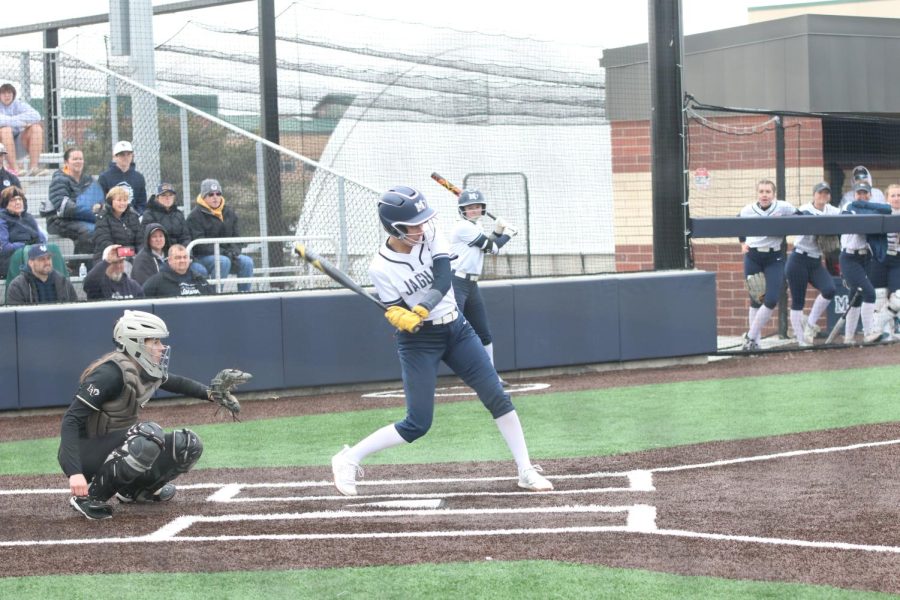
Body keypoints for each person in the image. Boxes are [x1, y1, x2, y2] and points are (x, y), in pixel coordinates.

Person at [330, 186, 552, 496]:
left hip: (457, 330)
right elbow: (401, 312)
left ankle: (526, 470)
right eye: (413, 224)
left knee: (497, 396)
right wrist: (399, 316)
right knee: (417, 423)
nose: (421, 228)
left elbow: (444, 278)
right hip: (420, 342)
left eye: (422, 222)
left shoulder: (431, 233)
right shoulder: (380, 268)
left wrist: (419, 308)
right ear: (395, 228)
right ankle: (349, 458)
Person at [59, 310, 216, 520]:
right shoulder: (109, 373)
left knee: (187, 444)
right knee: (149, 435)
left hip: (115, 444)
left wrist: (211, 394)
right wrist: (74, 473)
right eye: (155, 342)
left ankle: (136, 490)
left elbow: (177, 382)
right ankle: (89, 498)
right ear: (136, 343)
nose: (161, 347)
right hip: (86, 450)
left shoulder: (142, 368)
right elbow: (71, 420)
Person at [449, 188, 513, 385]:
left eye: (477, 207)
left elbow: (485, 245)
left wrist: (498, 231)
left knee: (483, 331)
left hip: (471, 284)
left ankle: (491, 375)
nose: (474, 210)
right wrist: (509, 234)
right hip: (456, 282)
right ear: (463, 210)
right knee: (452, 331)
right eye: (470, 208)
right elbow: (492, 248)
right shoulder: (463, 227)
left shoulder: (475, 227)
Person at [738, 179, 797, 351]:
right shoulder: (748, 210)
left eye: (768, 192)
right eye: (761, 191)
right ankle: (755, 343)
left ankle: (749, 336)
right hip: (753, 257)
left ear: (774, 194)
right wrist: (742, 243)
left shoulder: (783, 207)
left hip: (774, 257)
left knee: (771, 299)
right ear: (757, 194)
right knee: (756, 300)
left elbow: (800, 216)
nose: (764, 195)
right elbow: (737, 223)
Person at [785, 182, 840, 347]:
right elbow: (802, 215)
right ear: (814, 195)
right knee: (798, 301)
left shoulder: (832, 210)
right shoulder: (805, 208)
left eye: (826, 193)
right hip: (798, 259)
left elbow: (847, 214)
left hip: (816, 261)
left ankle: (809, 324)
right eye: (819, 193)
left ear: (829, 196)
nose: (822, 195)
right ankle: (801, 340)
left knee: (829, 289)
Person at [839, 181, 891, 344]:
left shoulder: (871, 207)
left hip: (865, 257)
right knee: (869, 293)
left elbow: (887, 209)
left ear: (870, 194)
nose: (862, 196)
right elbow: (852, 218)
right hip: (849, 257)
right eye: (859, 193)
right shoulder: (848, 205)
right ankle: (868, 333)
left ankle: (848, 337)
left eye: (865, 193)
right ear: (854, 194)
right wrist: (867, 211)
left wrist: (868, 208)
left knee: (857, 296)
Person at [186, 178, 254, 292]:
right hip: (204, 257)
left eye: (218, 194)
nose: (215, 197)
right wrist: (224, 253)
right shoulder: (195, 216)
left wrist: (234, 251)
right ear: (203, 197)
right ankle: (215, 296)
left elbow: (236, 237)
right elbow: (200, 245)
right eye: (210, 194)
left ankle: (244, 295)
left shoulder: (229, 212)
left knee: (247, 262)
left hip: (227, 254)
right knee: (222, 261)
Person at [41, 147, 100, 259]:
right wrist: (91, 210)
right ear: (66, 162)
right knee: (87, 231)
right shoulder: (59, 179)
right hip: (58, 220)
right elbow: (65, 207)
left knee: (105, 226)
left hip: (81, 219)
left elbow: (99, 200)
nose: (78, 161)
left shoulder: (88, 179)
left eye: (80, 159)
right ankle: (78, 267)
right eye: (75, 159)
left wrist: (99, 206)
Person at [867, 182, 900, 340]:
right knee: (879, 296)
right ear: (887, 198)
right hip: (880, 258)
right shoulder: (881, 213)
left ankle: (880, 323)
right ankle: (885, 332)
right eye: (893, 195)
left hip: (897, 259)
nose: (896, 198)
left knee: (898, 297)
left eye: (899, 195)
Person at [6, 243, 77, 305]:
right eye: (41, 259)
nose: (47, 263)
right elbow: (17, 316)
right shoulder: (18, 286)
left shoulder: (63, 282)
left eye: (48, 258)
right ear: (31, 263)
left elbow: (74, 310)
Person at [0, 186, 46, 277]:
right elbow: (4, 248)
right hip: (12, 260)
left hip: (33, 257)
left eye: (19, 199)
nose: (17, 202)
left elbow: (42, 240)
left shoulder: (29, 218)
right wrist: (25, 245)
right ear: (5, 204)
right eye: (13, 200)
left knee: (53, 248)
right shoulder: (2, 220)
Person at [0, 82, 44, 175]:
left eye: (9, 93)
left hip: (19, 145)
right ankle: (15, 169)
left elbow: (36, 116)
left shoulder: (19, 104)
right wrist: (21, 122)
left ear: (13, 95)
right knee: (5, 130)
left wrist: (10, 120)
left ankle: (34, 168)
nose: (7, 96)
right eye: (3, 93)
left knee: (36, 127)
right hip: (2, 148)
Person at [142, 244, 214, 298]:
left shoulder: (199, 279)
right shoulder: (157, 281)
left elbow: (212, 300)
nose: (182, 260)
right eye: (178, 258)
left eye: (185, 257)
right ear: (169, 260)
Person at [92, 186, 142, 262]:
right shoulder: (102, 217)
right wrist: (129, 252)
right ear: (110, 201)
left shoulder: (133, 217)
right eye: (119, 200)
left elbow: (140, 240)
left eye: (125, 200)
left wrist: (139, 253)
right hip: (109, 259)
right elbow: (104, 242)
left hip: (131, 257)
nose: (122, 203)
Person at [97, 140, 148, 215]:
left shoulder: (139, 177)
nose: (126, 157)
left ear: (132, 156)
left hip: (133, 218)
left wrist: (136, 215)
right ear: (115, 157)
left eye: (128, 154)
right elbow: (101, 201)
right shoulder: (104, 177)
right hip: (111, 217)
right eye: (122, 154)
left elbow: (142, 203)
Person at [142, 183, 191, 247]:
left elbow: (185, 237)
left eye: (170, 195)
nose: (167, 198)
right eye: (163, 195)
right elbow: (150, 238)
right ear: (157, 198)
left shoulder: (179, 214)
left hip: (178, 251)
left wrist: (182, 250)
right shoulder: (149, 214)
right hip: (160, 251)